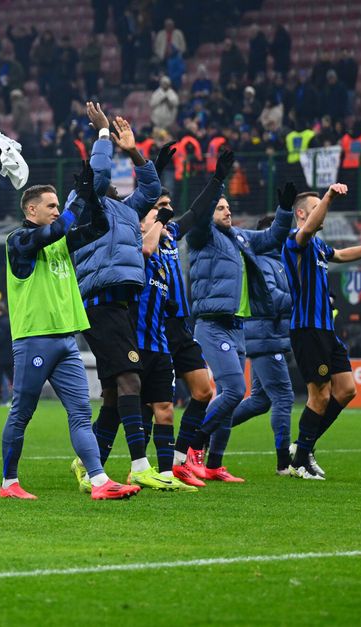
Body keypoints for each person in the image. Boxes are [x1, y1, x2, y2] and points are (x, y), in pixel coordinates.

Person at [0, 171, 139, 501]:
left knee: (81, 413)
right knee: (22, 412)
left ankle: (99, 480)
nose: (56, 210)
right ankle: (9, 483)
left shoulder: (59, 240)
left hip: (65, 340)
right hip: (34, 338)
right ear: (31, 210)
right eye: (51, 206)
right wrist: (78, 197)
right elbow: (60, 228)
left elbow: (100, 228)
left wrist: (93, 199)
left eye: (58, 205)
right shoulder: (18, 241)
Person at [179, 172, 293, 484]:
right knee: (234, 390)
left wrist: (284, 211)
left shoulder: (240, 237)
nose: (227, 211)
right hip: (212, 325)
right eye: (220, 208)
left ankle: (214, 465)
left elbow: (272, 238)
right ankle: (193, 444)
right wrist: (216, 184)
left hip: (237, 326)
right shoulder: (202, 236)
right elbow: (200, 218)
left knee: (228, 401)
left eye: (228, 207)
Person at [69, 105, 162, 489]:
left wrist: (134, 151)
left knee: (112, 394)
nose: (113, 182)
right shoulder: (85, 205)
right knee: (130, 380)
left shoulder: (124, 210)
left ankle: (88, 464)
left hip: (120, 305)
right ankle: (140, 465)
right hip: (100, 302)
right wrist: (104, 134)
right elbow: (101, 174)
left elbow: (152, 191)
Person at [282, 186, 361, 479]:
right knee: (320, 395)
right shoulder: (295, 240)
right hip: (308, 329)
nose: (322, 213)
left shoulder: (319, 246)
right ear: (301, 213)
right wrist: (329, 196)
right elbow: (307, 230)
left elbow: (342, 254)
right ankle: (301, 460)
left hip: (326, 330)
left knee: (347, 389)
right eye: (316, 208)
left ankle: (303, 447)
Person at [149, 179, 219, 488]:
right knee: (149, 405)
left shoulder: (172, 234)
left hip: (181, 327)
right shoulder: (141, 240)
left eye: (168, 205)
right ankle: (137, 464)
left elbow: (196, 211)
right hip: (155, 327)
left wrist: (217, 180)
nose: (167, 210)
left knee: (203, 391)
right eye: (160, 206)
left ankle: (179, 462)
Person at [128, 188, 195, 492]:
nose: (162, 217)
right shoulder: (136, 250)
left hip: (161, 345)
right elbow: (146, 247)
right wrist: (156, 223)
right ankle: (127, 468)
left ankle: (167, 474)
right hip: (137, 346)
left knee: (165, 408)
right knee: (128, 411)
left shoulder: (163, 264)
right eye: (155, 213)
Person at [231, 214, 296, 475]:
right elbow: (271, 297)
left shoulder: (276, 262)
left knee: (260, 400)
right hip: (265, 338)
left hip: (266, 337)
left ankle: (204, 432)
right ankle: (283, 462)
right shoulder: (264, 262)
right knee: (284, 396)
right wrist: (299, 299)